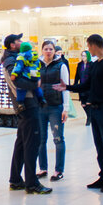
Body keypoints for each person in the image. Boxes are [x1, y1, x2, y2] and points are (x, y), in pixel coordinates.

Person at [55, 34, 103, 193]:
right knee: (99, 146)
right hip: (95, 110)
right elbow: (86, 85)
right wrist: (68, 87)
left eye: (88, 46)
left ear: (94, 45)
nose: (88, 49)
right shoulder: (95, 64)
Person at [2, 34, 50, 195]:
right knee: (32, 143)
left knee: (22, 143)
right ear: (11, 45)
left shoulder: (18, 58)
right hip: (27, 104)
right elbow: (16, 80)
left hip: (27, 104)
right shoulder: (10, 61)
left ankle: (15, 180)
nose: (22, 42)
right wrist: (34, 83)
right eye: (18, 41)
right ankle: (31, 183)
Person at [36, 41, 68, 182]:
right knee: (41, 140)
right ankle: (43, 168)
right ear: (42, 50)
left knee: (58, 139)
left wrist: (65, 108)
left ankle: (58, 170)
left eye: (51, 49)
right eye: (46, 49)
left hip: (56, 107)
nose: (48, 51)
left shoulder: (61, 66)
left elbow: (65, 87)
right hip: (41, 107)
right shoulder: (37, 65)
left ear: (54, 51)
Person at [75, 50, 93, 126]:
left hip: (89, 87)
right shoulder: (80, 65)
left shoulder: (92, 64)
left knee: (88, 103)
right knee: (83, 104)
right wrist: (75, 84)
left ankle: (89, 118)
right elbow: (77, 76)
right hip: (82, 86)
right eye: (82, 55)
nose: (83, 57)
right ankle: (89, 116)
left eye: (84, 56)